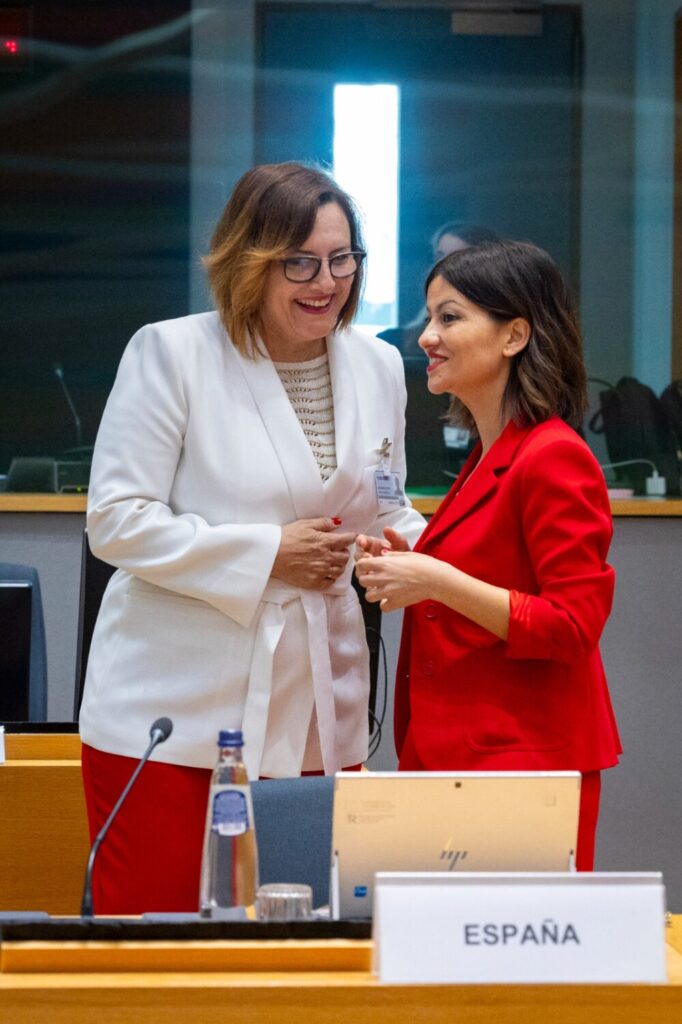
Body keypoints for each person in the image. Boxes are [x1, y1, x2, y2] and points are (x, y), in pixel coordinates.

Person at [79, 161, 425, 913]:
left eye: (341, 259)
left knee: (303, 935)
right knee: (159, 934)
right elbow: (115, 518)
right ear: (248, 261)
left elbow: (386, 504)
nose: (325, 281)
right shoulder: (173, 354)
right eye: (298, 261)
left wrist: (418, 558)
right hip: (175, 707)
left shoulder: (377, 366)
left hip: (319, 703)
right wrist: (268, 553)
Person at [356, 240, 621, 870]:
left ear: (514, 336)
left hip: (523, 766)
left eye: (449, 318)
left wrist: (437, 579)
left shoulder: (553, 454)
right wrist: (410, 567)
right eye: (429, 318)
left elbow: (573, 626)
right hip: (456, 756)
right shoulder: (486, 456)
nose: (426, 337)